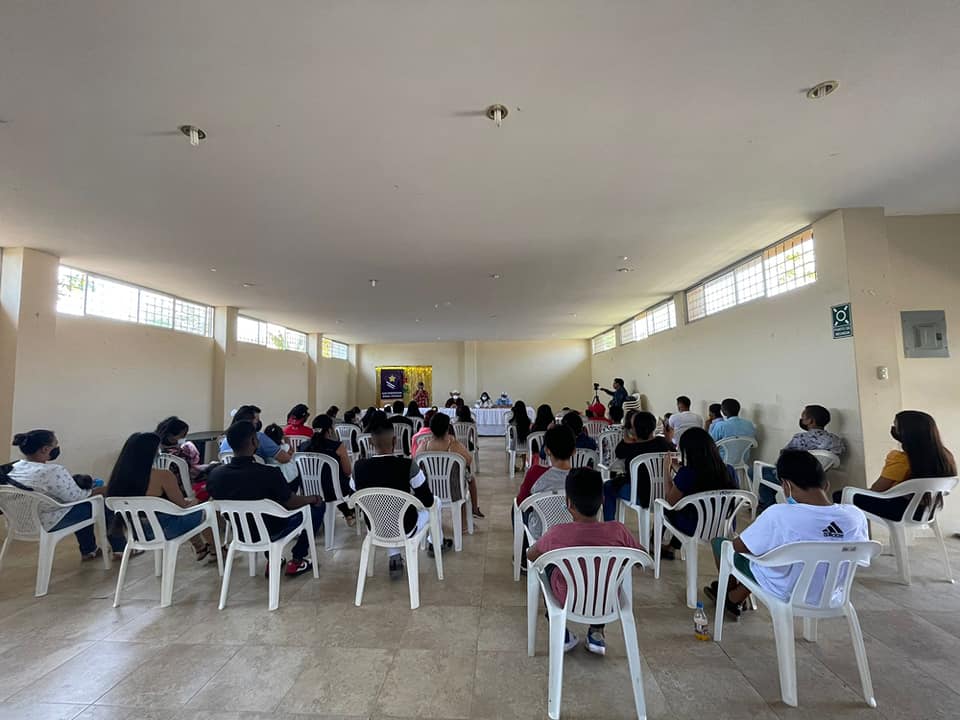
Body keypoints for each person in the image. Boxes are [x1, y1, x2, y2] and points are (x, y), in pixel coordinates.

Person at [706, 450, 869, 618]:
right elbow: (862, 557)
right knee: (773, 558)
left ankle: (730, 596)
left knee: (723, 545)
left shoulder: (779, 514)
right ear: (826, 484)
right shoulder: (855, 516)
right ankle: (734, 597)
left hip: (785, 591)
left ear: (786, 485)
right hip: (833, 595)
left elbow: (739, 547)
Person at [526, 468, 642, 656]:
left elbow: (531, 555)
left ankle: (562, 635)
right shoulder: (618, 531)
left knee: (547, 565)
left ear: (568, 503)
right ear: (602, 500)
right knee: (604, 574)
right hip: (607, 600)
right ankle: (597, 633)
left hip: (567, 598)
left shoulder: (557, 533)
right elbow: (641, 558)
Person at [206, 421, 323, 577]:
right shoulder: (269, 473)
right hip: (274, 530)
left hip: (241, 532)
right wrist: (313, 498)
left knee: (262, 517)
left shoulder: (215, 476)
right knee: (317, 507)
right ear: (254, 441)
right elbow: (291, 502)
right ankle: (297, 559)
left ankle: (273, 559)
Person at [8, 429, 126, 560]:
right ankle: (120, 549)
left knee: (86, 506)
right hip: (50, 521)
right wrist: (105, 489)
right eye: (55, 445)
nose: (57, 448)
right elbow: (78, 497)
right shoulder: (53, 471)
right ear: (45, 449)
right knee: (103, 502)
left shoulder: (13, 468)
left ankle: (89, 550)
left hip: (20, 523)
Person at [107, 432, 218, 562]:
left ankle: (200, 547)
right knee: (203, 508)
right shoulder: (163, 476)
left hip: (137, 532)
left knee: (181, 511)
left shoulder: (118, 478)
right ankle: (216, 550)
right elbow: (182, 506)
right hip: (166, 530)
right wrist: (197, 501)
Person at [352, 418, 439, 578]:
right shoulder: (408, 465)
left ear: (370, 442)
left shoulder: (358, 468)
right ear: (395, 440)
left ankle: (394, 558)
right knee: (436, 502)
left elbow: (353, 492)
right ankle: (436, 543)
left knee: (385, 510)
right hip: (406, 527)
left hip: (375, 527)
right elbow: (427, 500)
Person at [834, 410, 956, 520]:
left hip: (902, 511)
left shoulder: (901, 459)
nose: (893, 429)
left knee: (841, 495)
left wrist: (856, 492)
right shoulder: (945, 456)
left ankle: (852, 534)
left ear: (907, 433)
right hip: (928, 511)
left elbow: (878, 489)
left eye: (896, 426)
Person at [662, 427, 738, 558]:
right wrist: (677, 468)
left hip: (695, 527)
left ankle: (659, 545)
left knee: (665, 507)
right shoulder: (729, 470)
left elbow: (670, 502)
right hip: (726, 524)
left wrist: (666, 471)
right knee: (688, 507)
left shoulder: (687, 474)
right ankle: (672, 546)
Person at [756, 405, 847, 512]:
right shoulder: (836, 440)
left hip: (793, 481)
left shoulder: (800, 438)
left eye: (803, 417)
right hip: (819, 482)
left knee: (757, 471)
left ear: (810, 421)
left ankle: (768, 507)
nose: (801, 419)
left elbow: (783, 458)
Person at [603, 412, 675, 521]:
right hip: (665, 493)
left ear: (634, 430)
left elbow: (618, 452)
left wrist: (626, 435)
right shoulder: (663, 443)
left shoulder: (631, 448)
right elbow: (674, 452)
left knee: (608, 486)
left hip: (639, 495)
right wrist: (668, 439)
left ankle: (609, 524)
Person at [422, 413, 484, 518]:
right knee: (471, 479)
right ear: (447, 428)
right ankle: (474, 509)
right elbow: (469, 460)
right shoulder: (453, 445)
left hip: (430, 490)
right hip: (453, 490)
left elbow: (416, 461)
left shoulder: (424, 445)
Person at [300, 415, 356, 525]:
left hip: (308, 490)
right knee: (350, 485)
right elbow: (347, 471)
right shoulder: (337, 447)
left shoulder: (302, 447)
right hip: (333, 490)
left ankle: (348, 513)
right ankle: (350, 512)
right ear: (329, 430)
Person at [220, 405, 294, 463]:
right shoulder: (259, 438)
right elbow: (285, 458)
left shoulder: (225, 440)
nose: (258, 424)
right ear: (249, 422)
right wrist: (288, 443)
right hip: (256, 476)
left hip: (231, 476)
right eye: (257, 421)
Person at [156, 416, 209, 488]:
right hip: (183, 486)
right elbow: (190, 471)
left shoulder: (158, 451)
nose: (184, 438)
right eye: (183, 435)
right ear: (171, 436)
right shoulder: (179, 455)